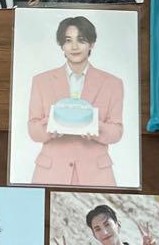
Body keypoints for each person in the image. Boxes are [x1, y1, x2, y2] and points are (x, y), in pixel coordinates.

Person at [27, 15, 124, 186]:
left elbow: (117, 131)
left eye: (81, 40)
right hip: (50, 173)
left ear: (91, 44)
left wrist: (95, 127)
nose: (74, 47)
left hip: (96, 175)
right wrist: (51, 127)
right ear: (62, 46)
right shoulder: (41, 81)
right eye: (68, 40)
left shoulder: (113, 83)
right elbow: (33, 129)